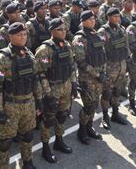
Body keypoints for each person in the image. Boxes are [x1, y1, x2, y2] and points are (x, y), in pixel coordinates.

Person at [0, 22, 42, 169]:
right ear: (10, 36)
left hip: (28, 102)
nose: (23, 37)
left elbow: (35, 79)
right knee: (5, 142)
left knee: (28, 135)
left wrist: (39, 100)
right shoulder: (1, 60)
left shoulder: (29, 55)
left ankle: (27, 162)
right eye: (19, 35)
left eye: (25, 34)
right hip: (10, 105)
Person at [35, 18, 76, 163]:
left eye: (64, 29)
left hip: (66, 87)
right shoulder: (44, 50)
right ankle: (46, 147)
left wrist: (74, 84)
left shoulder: (67, 46)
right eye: (60, 29)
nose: (63, 31)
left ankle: (59, 140)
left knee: (62, 115)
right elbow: (41, 74)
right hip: (51, 89)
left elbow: (72, 66)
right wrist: (48, 94)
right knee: (48, 119)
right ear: (52, 31)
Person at [72, 10, 107, 145]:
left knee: (95, 104)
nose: (93, 21)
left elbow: (102, 55)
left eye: (94, 19)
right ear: (83, 21)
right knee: (88, 106)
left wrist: (102, 72)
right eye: (90, 19)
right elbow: (80, 62)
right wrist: (97, 74)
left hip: (99, 77)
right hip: (87, 78)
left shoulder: (96, 35)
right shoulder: (79, 39)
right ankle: (82, 131)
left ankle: (89, 127)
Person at [97, 7, 130, 130]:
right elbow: (100, 53)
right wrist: (102, 71)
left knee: (117, 91)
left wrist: (127, 62)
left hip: (121, 66)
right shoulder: (103, 32)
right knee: (107, 93)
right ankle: (105, 116)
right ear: (108, 17)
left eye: (118, 16)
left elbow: (126, 46)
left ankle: (115, 113)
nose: (117, 19)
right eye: (114, 17)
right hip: (109, 68)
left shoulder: (121, 29)